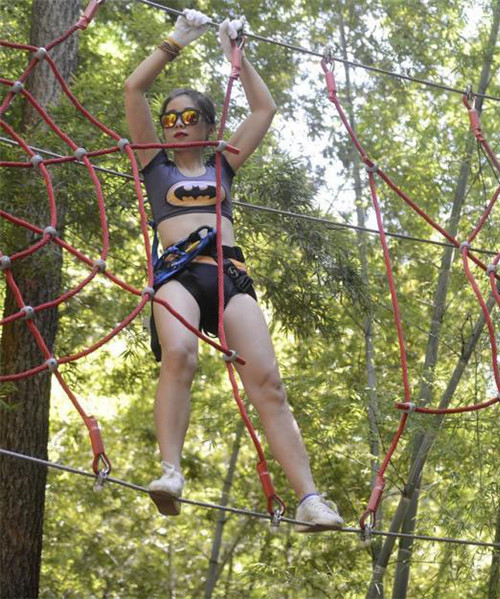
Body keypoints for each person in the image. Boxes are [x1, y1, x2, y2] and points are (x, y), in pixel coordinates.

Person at [123, 8, 342, 529]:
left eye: (187, 118)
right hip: (176, 275)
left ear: (207, 125)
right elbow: (133, 91)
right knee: (179, 354)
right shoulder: (156, 163)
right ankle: (171, 471)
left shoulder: (224, 164)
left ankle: (309, 500)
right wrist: (174, 42)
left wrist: (236, 56)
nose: (175, 126)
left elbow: (265, 108)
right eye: (169, 118)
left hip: (229, 276)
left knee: (268, 383)